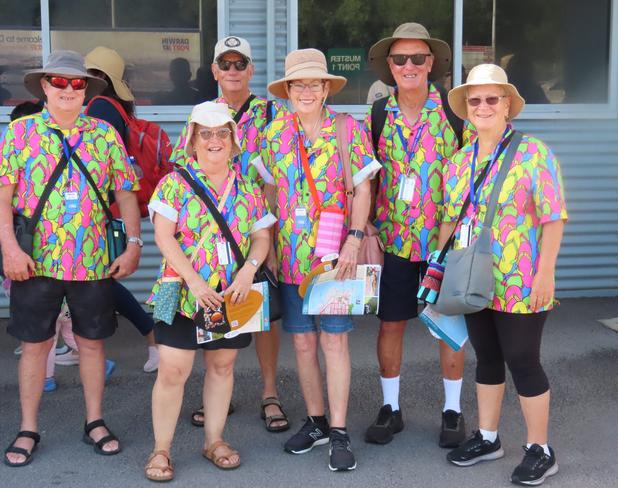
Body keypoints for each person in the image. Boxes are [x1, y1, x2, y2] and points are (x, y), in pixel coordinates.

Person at [0, 50, 140, 466]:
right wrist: (11, 249)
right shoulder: (20, 133)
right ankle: (28, 428)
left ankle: (95, 421)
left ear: (86, 90)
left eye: (77, 84)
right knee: (36, 346)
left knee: (92, 345)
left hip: (93, 262)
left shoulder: (104, 135)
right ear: (44, 86)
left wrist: (132, 244)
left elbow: (127, 194)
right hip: (33, 262)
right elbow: (0, 198)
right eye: (60, 82)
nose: (69, 90)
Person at [442, 64, 566, 486]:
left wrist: (545, 273)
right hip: (473, 279)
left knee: (523, 360)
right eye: (474, 100)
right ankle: (489, 437)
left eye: (491, 99)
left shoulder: (534, 153)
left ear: (507, 104)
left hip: (521, 279)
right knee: (488, 357)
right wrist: (441, 272)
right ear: (466, 109)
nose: (483, 106)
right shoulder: (459, 162)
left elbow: (553, 218)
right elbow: (449, 221)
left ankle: (540, 449)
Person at [261, 48, 380, 472]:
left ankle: (341, 430)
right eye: (298, 84)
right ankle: (316, 421)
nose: (306, 91)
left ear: (327, 88)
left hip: (337, 257)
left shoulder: (349, 129)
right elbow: (271, 193)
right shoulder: (274, 134)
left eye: (315, 83)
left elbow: (364, 189)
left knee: (334, 340)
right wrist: (271, 247)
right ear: (288, 90)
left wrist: (353, 239)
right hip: (292, 256)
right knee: (303, 340)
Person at [144, 102, 275, 480]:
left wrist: (249, 271)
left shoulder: (248, 188)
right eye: (206, 133)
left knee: (222, 365)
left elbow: (261, 236)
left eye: (222, 133)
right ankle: (161, 450)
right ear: (192, 139)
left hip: (230, 294)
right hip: (181, 292)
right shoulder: (174, 183)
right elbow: (164, 237)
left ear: (234, 140)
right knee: (173, 368)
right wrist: (195, 282)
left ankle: (214, 440)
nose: (214, 140)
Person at [170, 36, 290, 432]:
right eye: (226, 63)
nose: (234, 70)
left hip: (260, 228)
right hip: (209, 234)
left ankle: (269, 393)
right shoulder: (204, 113)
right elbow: (181, 169)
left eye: (241, 64)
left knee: (264, 314)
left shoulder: (273, 112)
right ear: (215, 71)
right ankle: (219, 394)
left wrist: (270, 238)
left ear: (251, 70)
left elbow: (280, 176)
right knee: (217, 306)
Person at [363, 22, 468, 447]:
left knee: (448, 324)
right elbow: (366, 176)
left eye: (418, 58)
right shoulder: (376, 114)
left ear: (432, 64)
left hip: (443, 242)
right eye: (400, 58)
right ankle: (391, 409)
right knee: (390, 325)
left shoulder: (453, 113)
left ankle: (453, 411)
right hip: (393, 241)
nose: (409, 65)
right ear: (390, 66)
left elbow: (470, 173)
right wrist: (364, 222)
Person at [84, 46, 159, 373]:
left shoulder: (100, 107)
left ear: (99, 78)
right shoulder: (116, 106)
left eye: (86, 76)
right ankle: (77, 342)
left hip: (102, 208)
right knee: (95, 278)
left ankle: (151, 333)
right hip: (109, 205)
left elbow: (98, 166)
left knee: (100, 278)